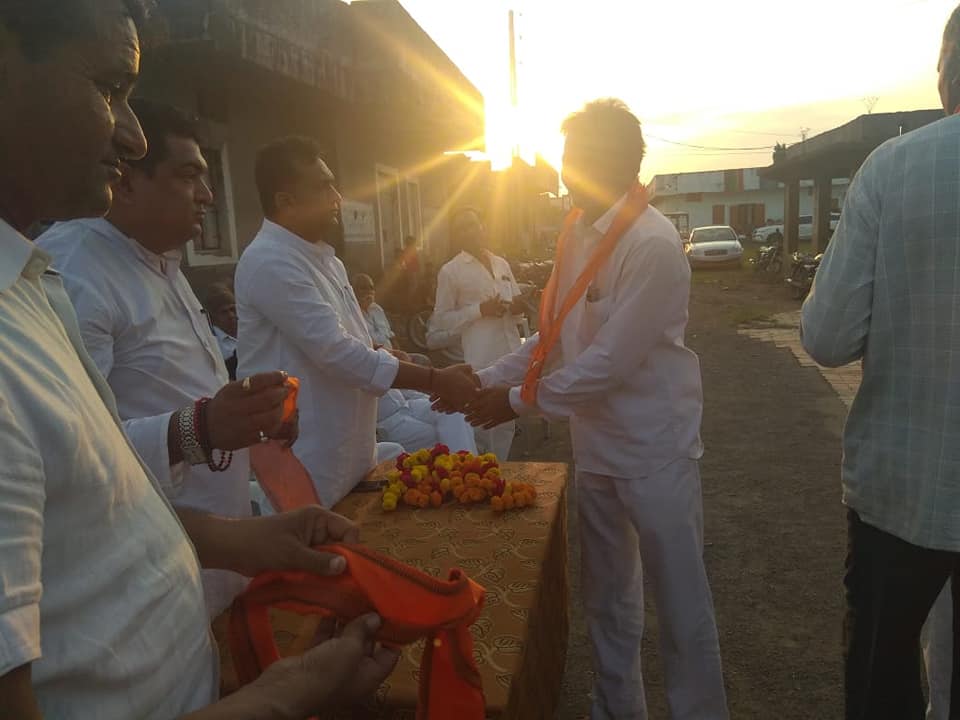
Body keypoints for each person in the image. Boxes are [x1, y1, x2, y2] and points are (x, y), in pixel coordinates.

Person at [0, 2, 397, 717]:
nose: (128, 135)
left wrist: (242, 538)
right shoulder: (76, 268)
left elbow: (90, 494)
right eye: (109, 88)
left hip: (194, 595)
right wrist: (288, 696)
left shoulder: (38, 280)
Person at [459, 99, 728, 719]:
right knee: (608, 601)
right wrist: (486, 378)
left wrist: (514, 402)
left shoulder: (653, 244)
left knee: (680, 605)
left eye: (575, 157)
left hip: (654, 451)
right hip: (598, 448)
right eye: (566, 155)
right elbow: (552, 338)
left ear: (615, 162)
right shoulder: (578, 233)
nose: (564, 170)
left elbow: (609, 362)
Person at [37, 99, 275, 617]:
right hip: (142, 573)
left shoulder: (157, 259)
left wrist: (250, 417)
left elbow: (177, 390)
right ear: (124, 182)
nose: (208, 195)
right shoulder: (74, 272)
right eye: (189, 176)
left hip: (214, 550)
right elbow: (66, 453)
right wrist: (200, 428)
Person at [800, 8, 960, 717]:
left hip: (903, 491)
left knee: (882, 675)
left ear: (947, 71)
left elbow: (827, 337)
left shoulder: (893, 168)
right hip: (904, 491)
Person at [235, 136, 478, 508]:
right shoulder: (270, 261)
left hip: (348, 451)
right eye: (323, 187)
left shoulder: (326, 261)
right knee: (314, 543)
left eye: (334, 185)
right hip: (306, 456)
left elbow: (350, 342)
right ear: (286, 201)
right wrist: (435, 380)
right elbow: (337, 352)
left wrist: (385, 352)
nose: (337, 197)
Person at [432, 207, 525, 460]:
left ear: (482, 226)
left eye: (472, 224)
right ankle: (484, 474)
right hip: (482, 359)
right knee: (484, 429)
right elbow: (441, 321)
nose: (469, 231)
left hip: (512, 353)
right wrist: (479, 310)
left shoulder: (501, 263)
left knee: (506, 425)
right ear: (456, 235)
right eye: (462, 228)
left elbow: (516, 303)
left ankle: (499, 471)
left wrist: (518, 308)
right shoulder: (450, 271)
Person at [205, 282, 239, 380]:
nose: (231, 315)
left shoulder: (248, 331)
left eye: (232, 309)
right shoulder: (211, 342)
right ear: (213, 316)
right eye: (224, 312)